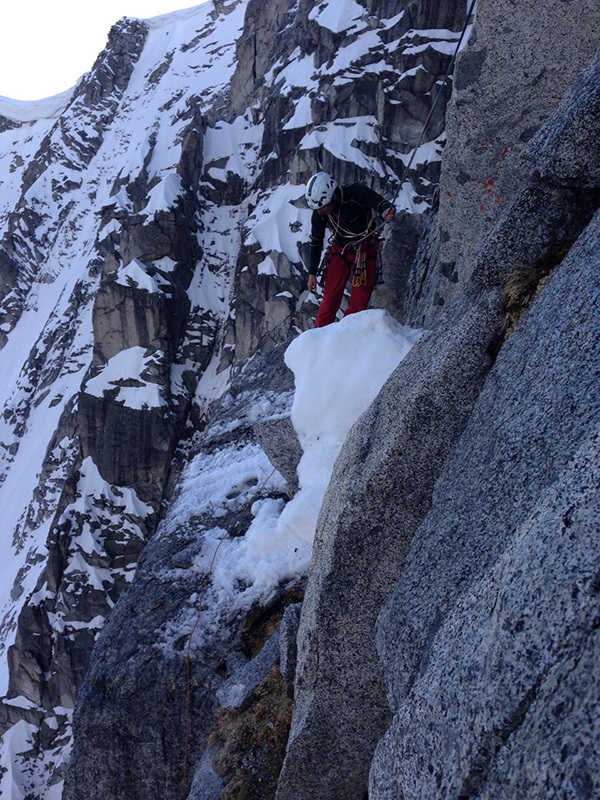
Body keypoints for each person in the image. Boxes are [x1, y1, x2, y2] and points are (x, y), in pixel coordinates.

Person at [305, 172, 396, 327]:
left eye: (322, 206)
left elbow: (378, 202)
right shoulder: (319, 212)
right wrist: (312, 273)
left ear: (333, 196)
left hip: (365, 248)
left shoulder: (355, 192)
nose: (320, 211)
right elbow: (316, 240)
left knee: (358, 303)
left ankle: (347, 335)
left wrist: (386, 209)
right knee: (328, 302)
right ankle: (317, 340)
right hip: (340, 249)